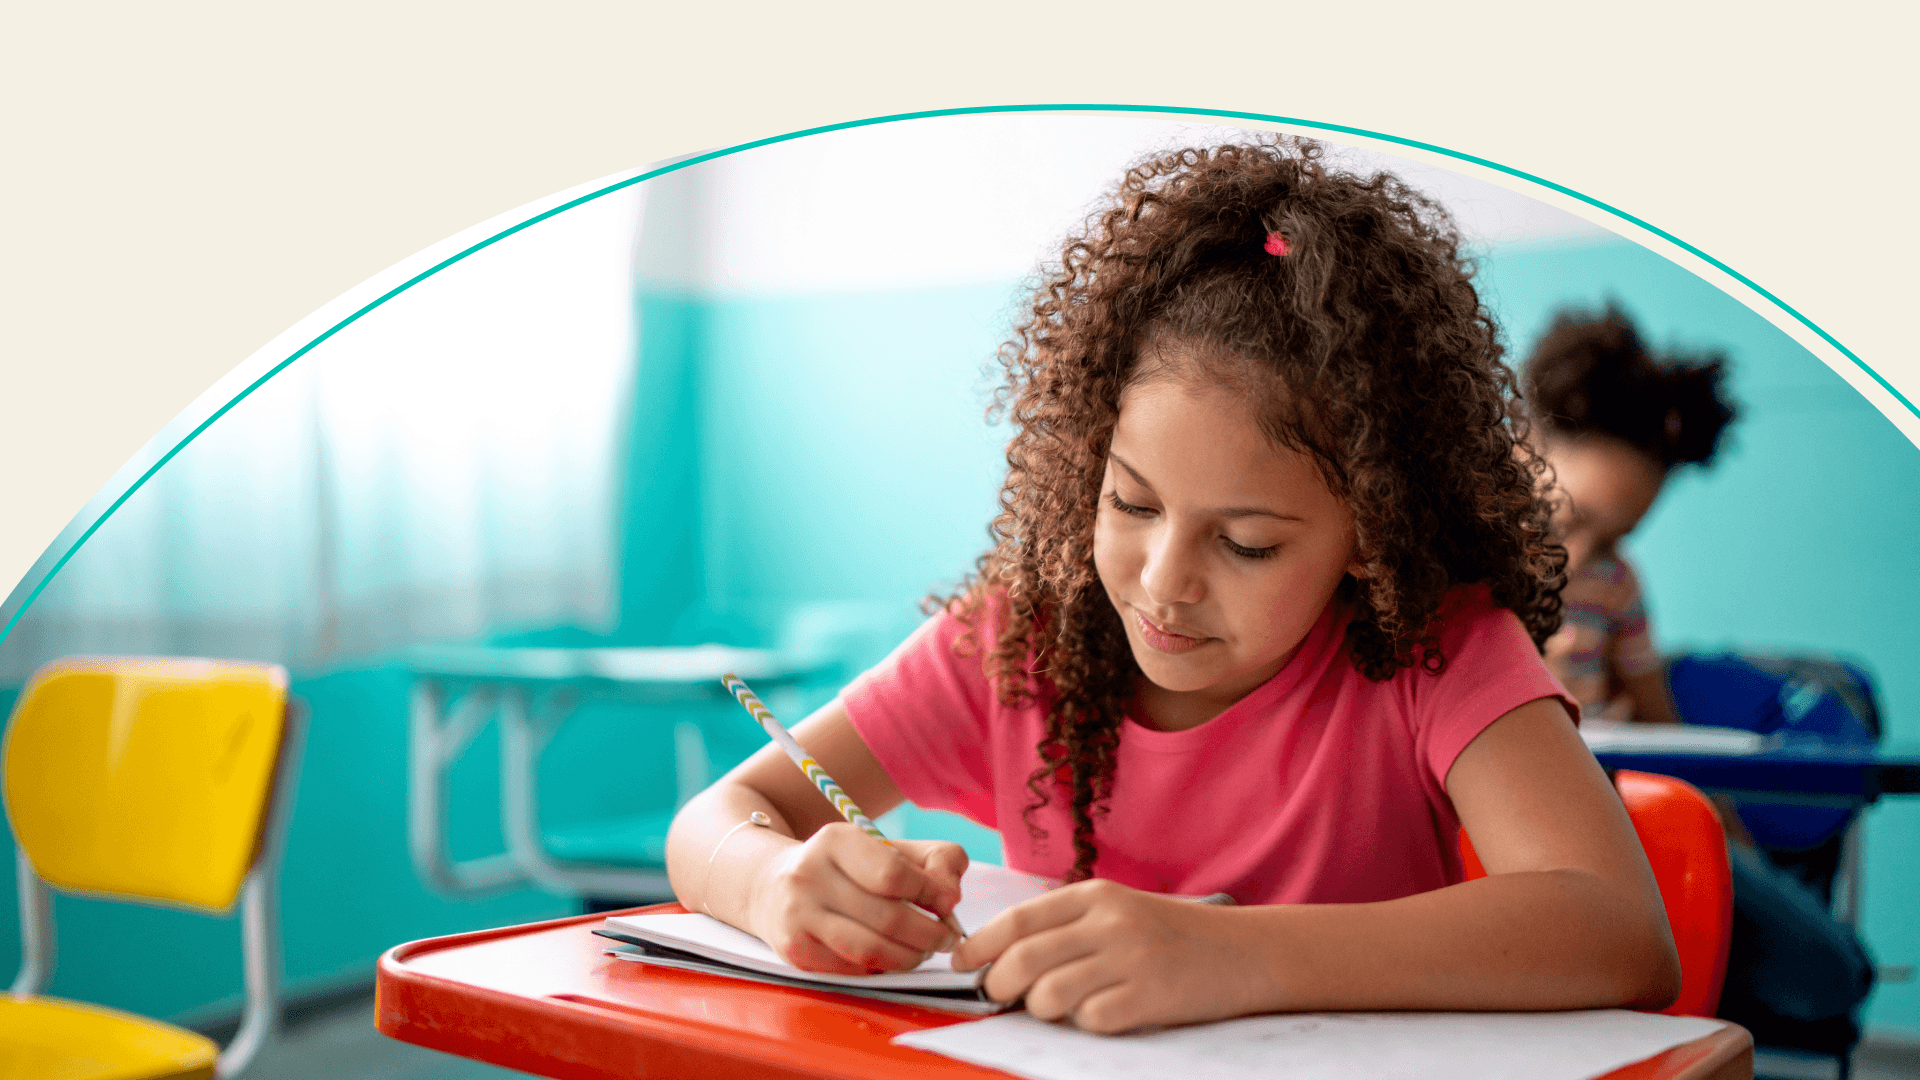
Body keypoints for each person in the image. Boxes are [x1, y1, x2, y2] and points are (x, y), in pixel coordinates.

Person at [665, 138, 1681, 1034]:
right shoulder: (1019, 640)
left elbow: (1621, 931)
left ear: (1373, 535)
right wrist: (776, 882)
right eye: (1132, 503)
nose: (1163, 582)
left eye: (1246, 544)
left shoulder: (1435, 646)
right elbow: (719, 816)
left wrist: (1237, 955)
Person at [1523, 305, 1874, 1055]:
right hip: (1537, 818)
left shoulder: (1615, 585)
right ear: (1525, 448)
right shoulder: (1463, 570)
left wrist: (1731, 837)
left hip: (1631, 808)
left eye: (1614, 537)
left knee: (1833, 973)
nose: (1579, 559)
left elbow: (1663, 728)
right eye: (1570, 520)